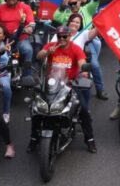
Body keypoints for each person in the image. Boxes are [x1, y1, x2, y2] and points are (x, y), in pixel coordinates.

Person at [30, 25, 97, 153]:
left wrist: (84, 72)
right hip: (50, 84)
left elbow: (82, 62)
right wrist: (46, 52)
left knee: (83, 108)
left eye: (64, 36)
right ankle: (33, 138)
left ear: (70, 36)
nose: (62, 39)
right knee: (35, 108)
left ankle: (89, 139)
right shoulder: (51, 46)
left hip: (69, 84)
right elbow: (38, 57)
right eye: (60, 36)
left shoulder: (76, 49)